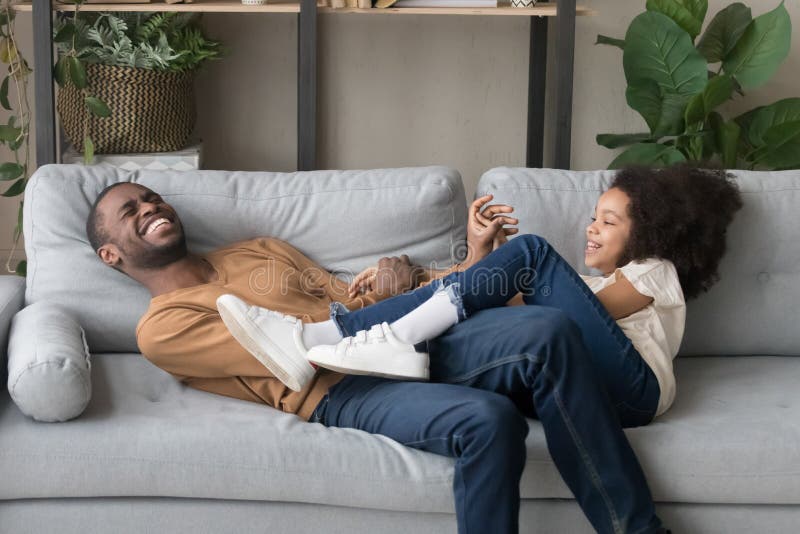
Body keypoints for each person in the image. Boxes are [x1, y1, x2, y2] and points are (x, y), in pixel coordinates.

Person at [85, 167, 733, 534]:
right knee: (504, 369)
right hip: (336, 383)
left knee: (547, 336)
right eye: (128, 210)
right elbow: (276, 361)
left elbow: (355, 299)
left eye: (150, 196)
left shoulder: (256, 250)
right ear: (112, 254)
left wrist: (396, 281)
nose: (148, 206)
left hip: (390, 338)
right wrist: (351, 327)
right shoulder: (162, 327)